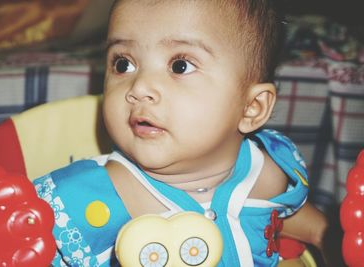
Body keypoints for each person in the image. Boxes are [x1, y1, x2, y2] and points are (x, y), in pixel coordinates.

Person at [33, 0, 328, 266]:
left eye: (180, 65)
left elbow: (287, 218)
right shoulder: (82, 198)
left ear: (251, 107)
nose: (139, 88)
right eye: (123, 64)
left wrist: (326, 236)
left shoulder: (268, 170)